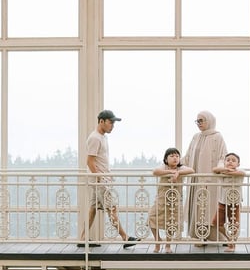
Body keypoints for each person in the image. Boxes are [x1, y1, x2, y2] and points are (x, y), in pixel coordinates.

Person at [78, 109, 138, 248]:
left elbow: (99, 160)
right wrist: (100, 178)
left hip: (100, 179)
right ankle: (125, 237)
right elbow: (90, 161)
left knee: (93, 209)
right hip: (99, 181)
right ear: (101, 121)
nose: (112, 126)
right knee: (112, 208)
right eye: (110, 122)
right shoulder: (95, 138)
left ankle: (82, 238)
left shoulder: (102, 137)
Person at [183, 111, 227, 242]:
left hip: (210, 179)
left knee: (209, 208)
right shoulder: (196, 137)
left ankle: (216, 237)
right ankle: (199, 236)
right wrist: (173, 164)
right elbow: (188, 157)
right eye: (197, 121)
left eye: (201, 120)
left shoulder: (217, 136)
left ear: (210, 120)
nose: (199, 123)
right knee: (197, 207)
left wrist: (220, 167)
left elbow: (223, 156)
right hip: (196, 179)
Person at [148, 148, 194, 254]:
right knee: (152, 217)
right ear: (166, 159)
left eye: (177, 156)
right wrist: (170, 172)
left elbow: (191, 170)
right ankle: (157, 240)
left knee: (171, 222)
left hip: (175, 201)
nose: (175, 158)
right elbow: (155, 171)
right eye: (172, 156)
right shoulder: (164, 167)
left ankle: (168, 245)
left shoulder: (180, 168)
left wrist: (178, 172)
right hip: (161, 199)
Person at [211, 152, 245, 253]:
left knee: (234, 224)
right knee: (216, 223)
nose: (230, 162)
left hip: (235, 203)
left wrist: (230, 172)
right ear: (224, 162)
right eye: (228, 160)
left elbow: (242, 173)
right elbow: (214, 169)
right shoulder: (222, 173)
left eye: (233, 160)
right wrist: (226, 170)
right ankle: (230, 239)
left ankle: (232, 245)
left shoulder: (239, 172)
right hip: (222, 202)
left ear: (238, 164)